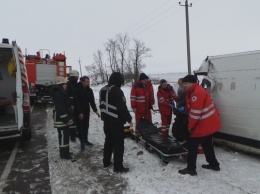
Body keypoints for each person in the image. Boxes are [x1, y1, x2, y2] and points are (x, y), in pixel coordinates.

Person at [178, 75, 221, 176]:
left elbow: (195, 113)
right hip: (209, 123)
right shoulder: (196, 90)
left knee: (192, 145)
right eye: (183, 83)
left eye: (185, 83)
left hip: (204, 124)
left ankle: (191, 169)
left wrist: (190, 126)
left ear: (192, 83)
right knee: (207, 144)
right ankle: (214, 164)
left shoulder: (196, 93)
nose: (183, 85)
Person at [100, 72, 133, 173]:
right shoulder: (117, 91)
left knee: (108, 142)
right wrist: (129, 119)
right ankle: (118, 167)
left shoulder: (103, 89)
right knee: (118, 145)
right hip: (116, 122)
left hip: (106, 122)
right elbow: (121, 107)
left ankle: (106, 162)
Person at [74, 76, 100, 151]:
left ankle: (85, 140)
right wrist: (80, 112)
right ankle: (82, 141)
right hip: (79, 112)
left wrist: (96, 111)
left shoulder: (89, 90)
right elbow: (76, 102)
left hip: (86, 111)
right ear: (82, 82)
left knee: (86, 126)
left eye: (89, 82)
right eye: (87, 82)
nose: (88, 83)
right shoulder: (77, 90)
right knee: (80, 127)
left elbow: (92, 101)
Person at [52, 76, 73, 159]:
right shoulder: (58, 94)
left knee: (65, 137)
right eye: (64, 84)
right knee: (63, 137)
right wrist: (66, 119)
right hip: (61, 120)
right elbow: (61, 108)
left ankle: (66, 152)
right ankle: (64, 154)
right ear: (60, 85)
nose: (66, 85)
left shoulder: (61, 93)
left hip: (63, 119)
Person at [66, 70, 79, 142]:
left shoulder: (75, 84)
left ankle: (74, 133)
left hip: (75, 104)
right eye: (76, 77)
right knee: (72, 120)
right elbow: (68, 95)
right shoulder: (68, 84)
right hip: (71, 104)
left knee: (75, 120)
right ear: (73, 77)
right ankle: (72, 135)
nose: (77, 78)